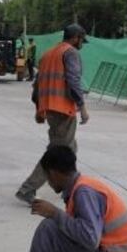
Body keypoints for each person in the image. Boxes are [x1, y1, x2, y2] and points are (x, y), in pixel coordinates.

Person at [15, 24, 89, 203]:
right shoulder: (70, 53)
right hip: (63, 109)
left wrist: (39, 110)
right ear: (75, 37)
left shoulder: (49, 54)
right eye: (81, 40)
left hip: (51, 110)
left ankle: (68, 184)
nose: (82, 44)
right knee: (58, 154)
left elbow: (37, 86)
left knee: (70, 148)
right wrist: (82, 106)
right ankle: (28, 189)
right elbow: (73, 79)